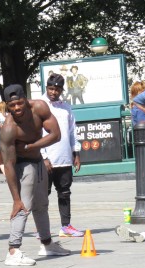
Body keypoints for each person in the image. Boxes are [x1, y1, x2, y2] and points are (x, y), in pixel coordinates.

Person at [0, 84, 70, 266]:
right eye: (11, 106)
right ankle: (13, 251)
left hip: (38, 161)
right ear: (7, 105)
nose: (16, 109)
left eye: (19, 104)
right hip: (22, 167)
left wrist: (32, 147)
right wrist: (15, 198)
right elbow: (8, 165)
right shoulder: (9, 128)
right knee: (23, 207)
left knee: (41, 205)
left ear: (26, 99)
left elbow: (56, 134)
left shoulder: (39, 107)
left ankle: (47, 245)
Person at [40, 73, 84, 238]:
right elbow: (37, 133)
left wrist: (76, 153)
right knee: (43, 195)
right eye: (51, 88)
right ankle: (42, 228)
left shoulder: (66, 107)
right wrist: (43, 156)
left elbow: (72, 132)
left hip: (64, 157)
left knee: (64, 192)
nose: (53, 92)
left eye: (57, 89)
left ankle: (66, 226)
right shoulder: (40, 105)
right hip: (47, 158)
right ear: (46, 88)